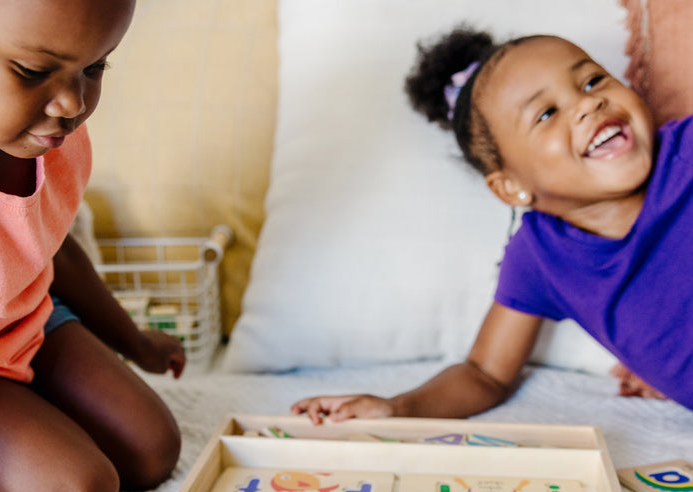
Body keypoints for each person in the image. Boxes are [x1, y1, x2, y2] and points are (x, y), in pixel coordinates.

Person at [293, 27, 687, 425]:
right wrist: (396, 408)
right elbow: (484, 374)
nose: (589, 104)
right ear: (512, 188)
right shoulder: (539, 257)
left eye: (592, 80)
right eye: (546, 113)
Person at [0, 0, 186, 492]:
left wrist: (133, 339)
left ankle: (23, 403)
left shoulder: (53, 143)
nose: (72, 103)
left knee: (152, 452)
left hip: (31, 323)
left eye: (95, 68)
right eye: (33, 71)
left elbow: (49, 244)